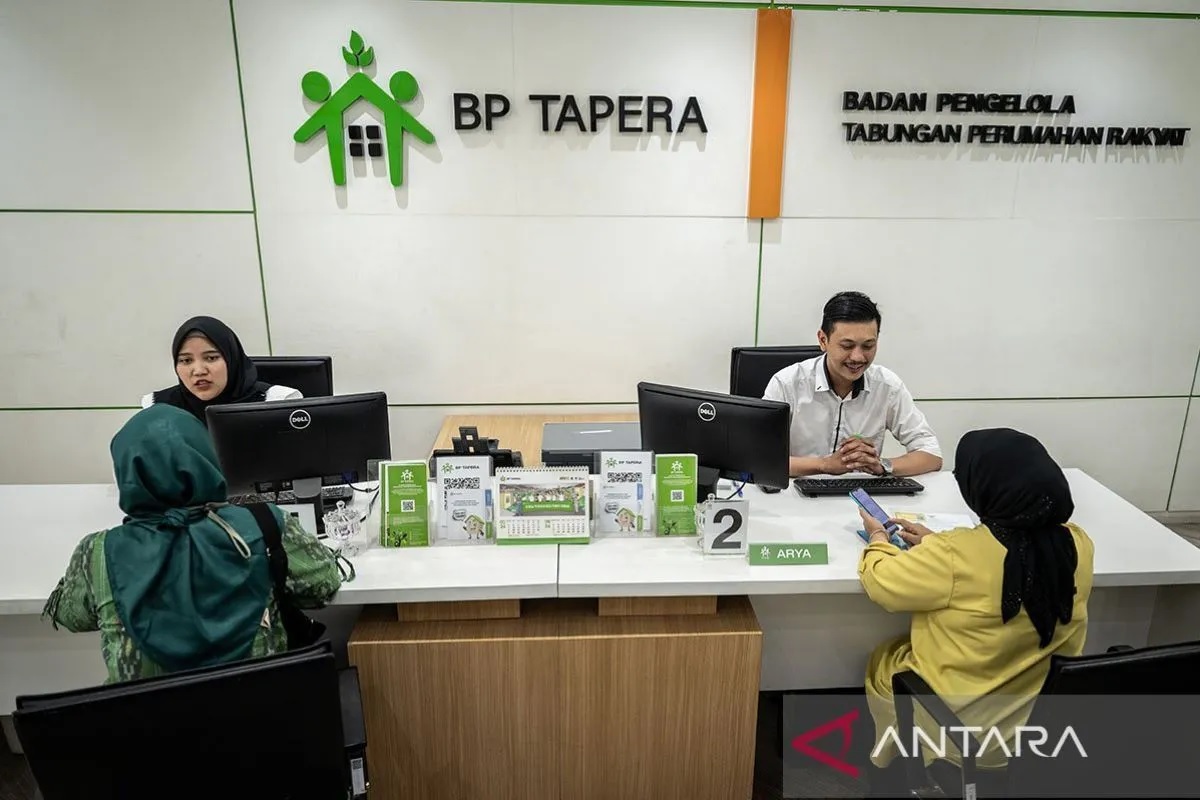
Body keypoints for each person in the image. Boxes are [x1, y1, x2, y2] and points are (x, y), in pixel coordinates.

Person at [856, 428, 1094, 794]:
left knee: (885, 661)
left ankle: (891, 765)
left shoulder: (955, 554)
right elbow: (1011, 559)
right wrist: (936, 543)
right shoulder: (1077, 543)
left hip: (960, 732)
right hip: (1042, 726)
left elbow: (882, 583)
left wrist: (878, 538)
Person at [43, 404, 343, 684]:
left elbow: (74, 617)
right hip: (258, 718)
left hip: (146, 731)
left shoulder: (98, 550)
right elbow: (321, 584)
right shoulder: (262, 523)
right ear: (206, 456)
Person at [763, 291, 941, 478]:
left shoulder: (888, 386)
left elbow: (931, 454)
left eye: (868, 346)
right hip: (795, 498)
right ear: (823, 340)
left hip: (861, 495)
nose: (858, 357)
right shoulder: (787, 383)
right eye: (847, 346)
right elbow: (760, 458)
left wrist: (882, 465)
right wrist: (824, 465)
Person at [142, 316, 301, 425]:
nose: (198, 371)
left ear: (232, 359)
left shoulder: (277, 401)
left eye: (211, 358)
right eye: (186, 360)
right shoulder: (158, 408)